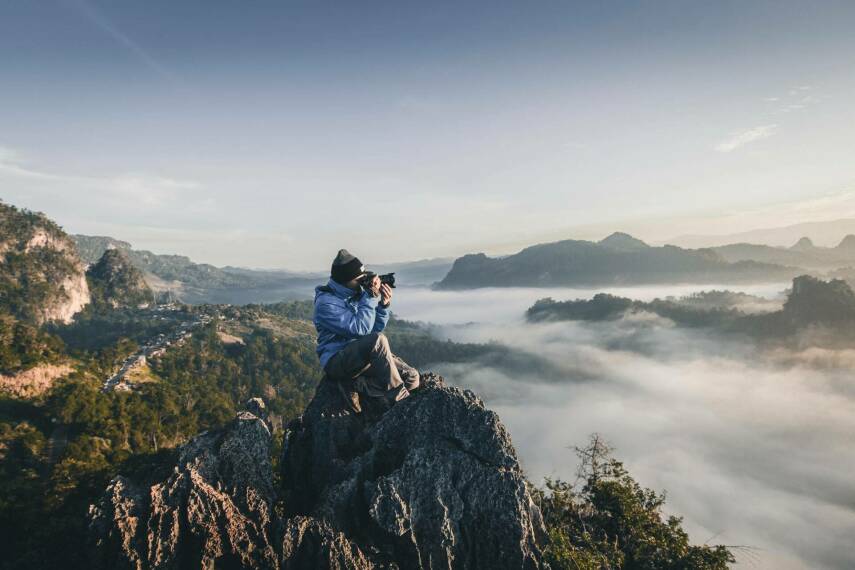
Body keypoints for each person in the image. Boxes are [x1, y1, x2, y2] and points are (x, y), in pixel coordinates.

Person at [313, 249, 420, 413]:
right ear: (346, 281)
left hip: (360, 356)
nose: (364, 282)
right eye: (360, 279)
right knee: (378, 340)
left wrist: (383, 306)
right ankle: (400, 403)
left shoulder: (355, 294)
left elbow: (372, 330)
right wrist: (369, 296)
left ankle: (360, 386)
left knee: (412, 377)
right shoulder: (326, 304)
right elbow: (361, 330)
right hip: (337, 360)